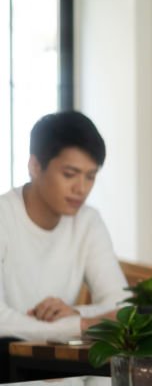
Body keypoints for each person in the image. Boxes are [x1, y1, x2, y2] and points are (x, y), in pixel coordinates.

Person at [0, 111, 127, 342]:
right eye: (70, 174)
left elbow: (121, 305)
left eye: (90, 176)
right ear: (35, 166)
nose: (81, 188)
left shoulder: (88, 221)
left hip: (54, 360)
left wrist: (77, 314)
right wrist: (80, 326)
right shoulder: (4, 216)